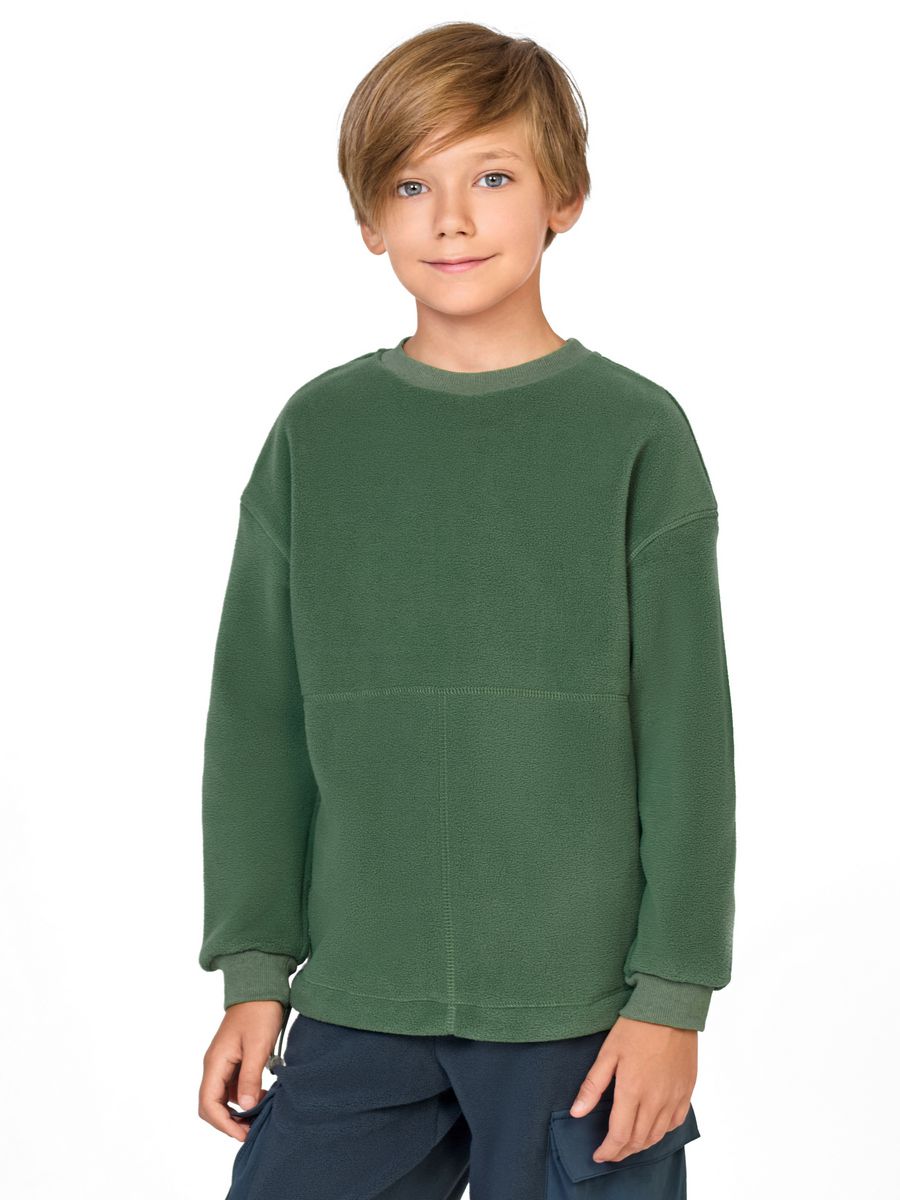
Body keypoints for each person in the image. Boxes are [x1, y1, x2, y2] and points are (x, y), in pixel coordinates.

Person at [197, 20, 736, 1200]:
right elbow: (256, 723)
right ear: (368, 217)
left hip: (583, 1019)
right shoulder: (318, 434)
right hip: (359, 1000)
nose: (450, 218)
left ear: (564, 199)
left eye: (492, 177)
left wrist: (673, 997)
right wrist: (254, 968)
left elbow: (690, 736)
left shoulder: (636, 433)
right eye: (411, 184)